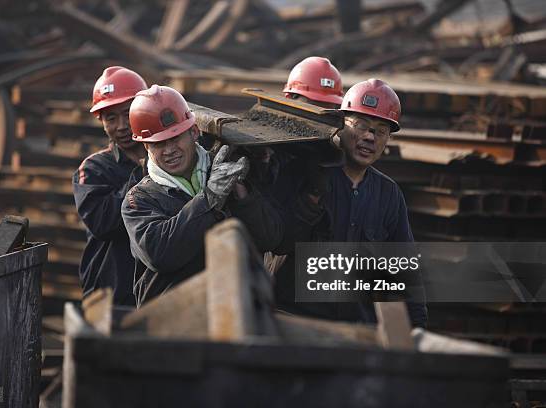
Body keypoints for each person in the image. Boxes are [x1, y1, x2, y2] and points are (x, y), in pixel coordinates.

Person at [273, 78, 427, 327]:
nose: (369, 137)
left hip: (358, 329)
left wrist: (417, 330)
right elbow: (275, 240)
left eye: (380, 131)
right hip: (294, 322)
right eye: (361, 125)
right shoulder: (305, 175)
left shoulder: (388, 195)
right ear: (341, 125)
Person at [122, 85, 283, 306]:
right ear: (146, 147)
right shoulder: (138, 200)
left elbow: (270, 238)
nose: (169, 150)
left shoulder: (227, 172)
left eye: (176, 137)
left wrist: (243, 196)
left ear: (194, 132)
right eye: (158, 143)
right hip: (173, 322)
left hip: (235, 313)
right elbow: (161, 254)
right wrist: (209, 198)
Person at [72, 66, 148, 305]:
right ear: (101, 121)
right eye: (111, 118)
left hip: (156, 292)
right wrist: (147, 174)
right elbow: (104, 222)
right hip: (111, 296)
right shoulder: (93, 169)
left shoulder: (171, 160)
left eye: (127, 114)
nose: (122, 126)